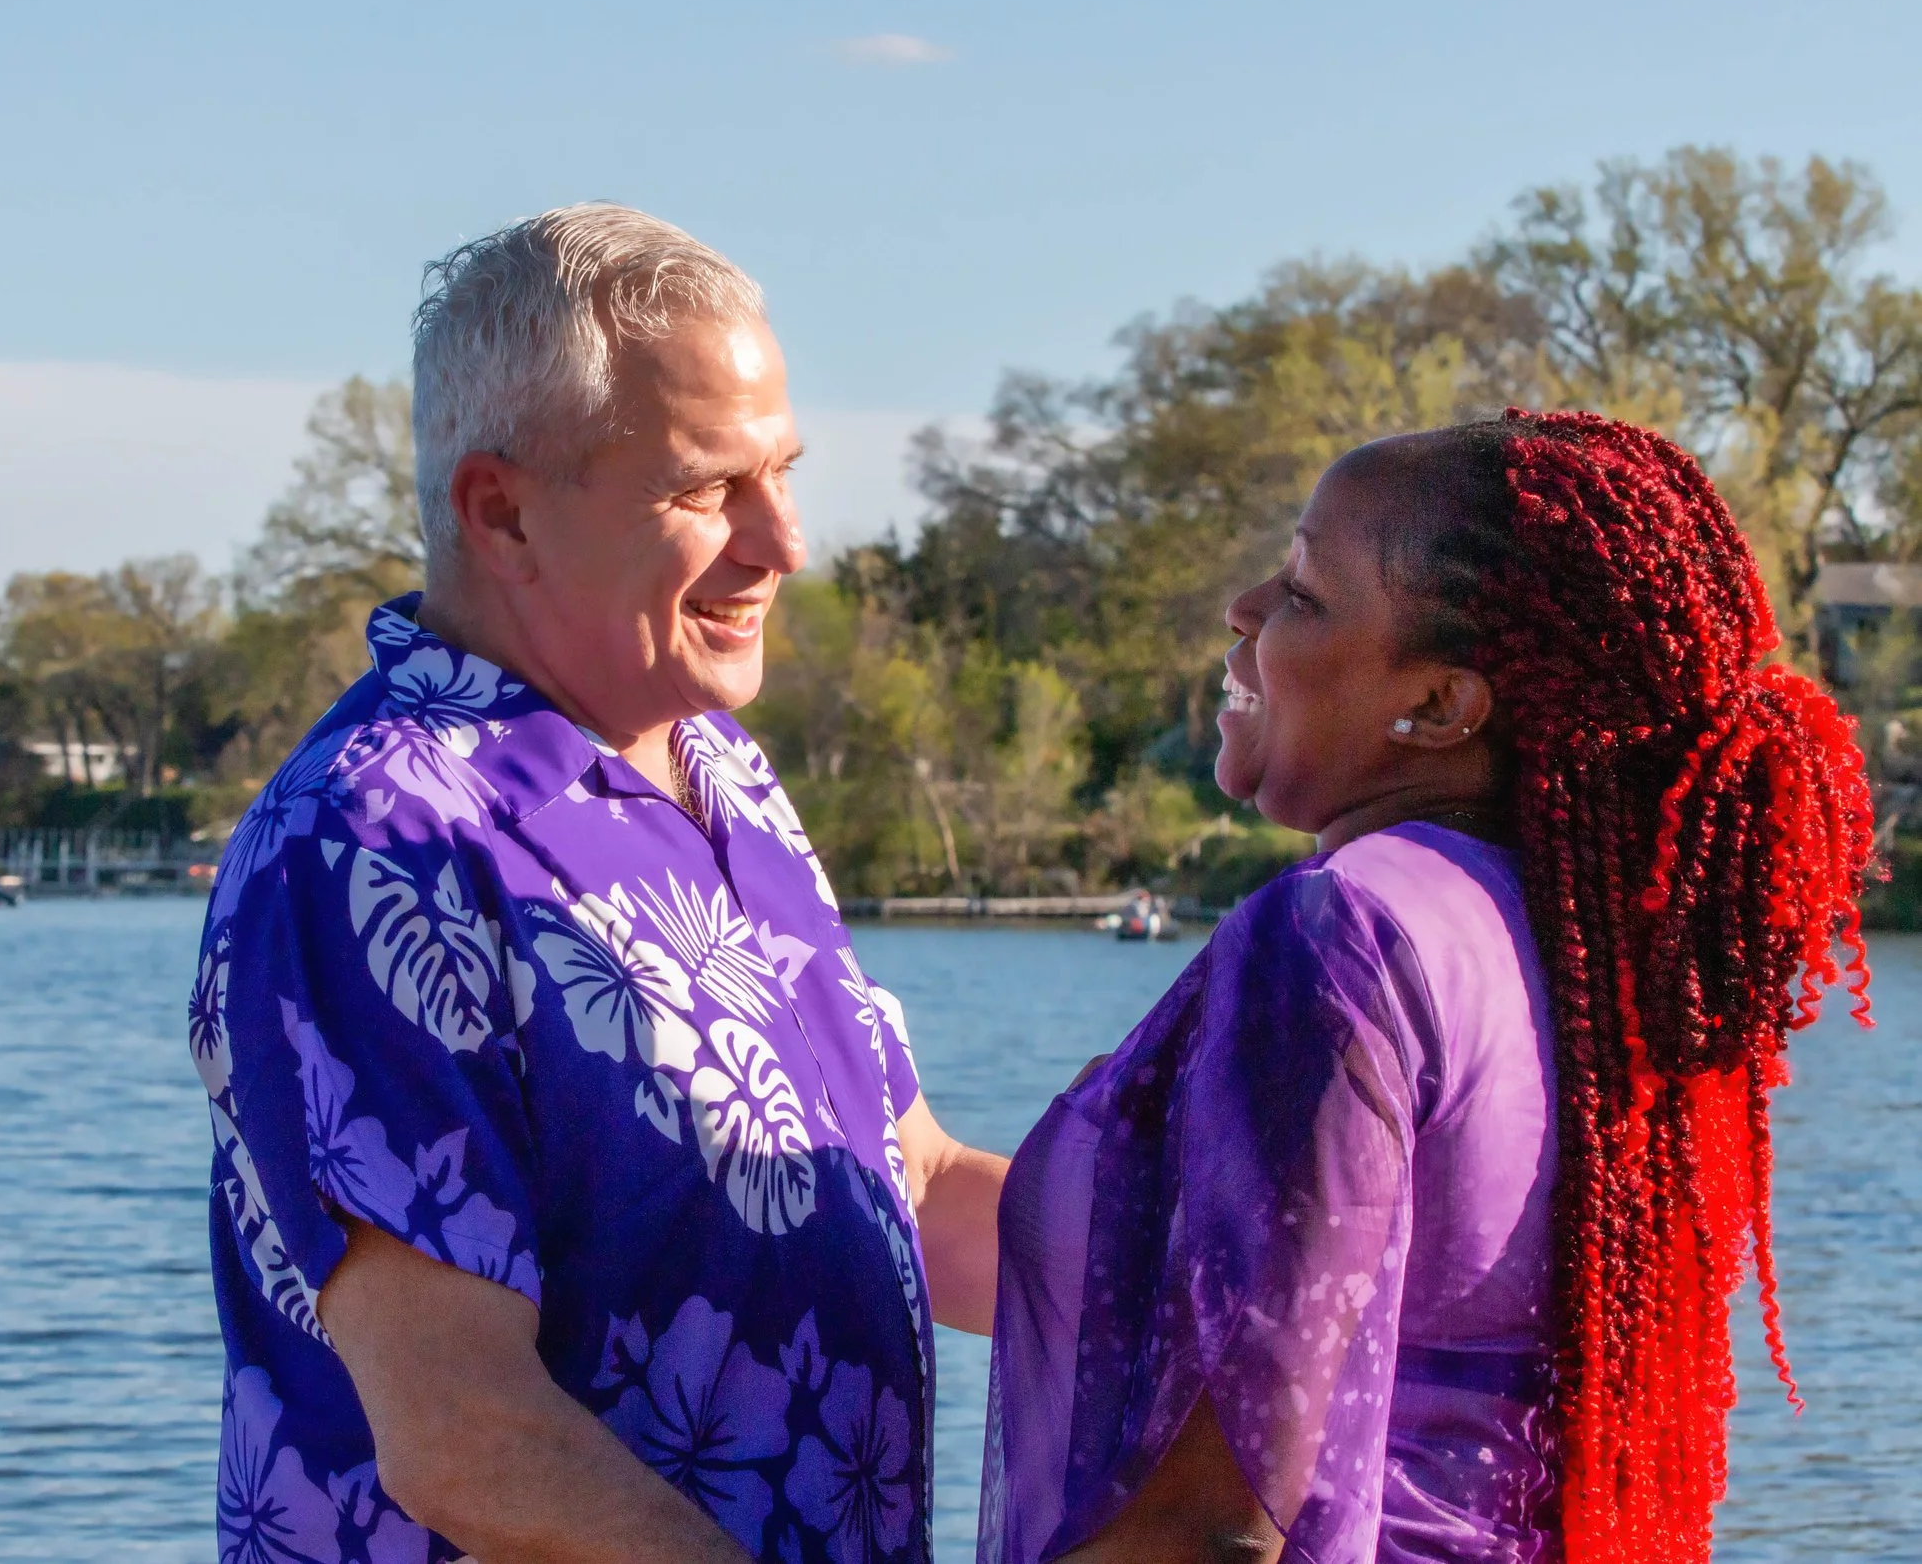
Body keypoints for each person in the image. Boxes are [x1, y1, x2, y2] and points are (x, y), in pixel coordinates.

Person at [189, 203, 1008, 1564]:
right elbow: (465, 1431)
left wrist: (1264, 1257)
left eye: (782, 472)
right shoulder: (370, 844)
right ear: (499, 510)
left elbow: (910, 1188)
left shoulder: (722, 769)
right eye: (705, 489)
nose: (781, 543)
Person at [980, 411, 1873, 1564]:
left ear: (1442, 707)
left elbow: (1215, 1524)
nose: (1242, 608)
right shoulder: (1587, 951)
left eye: (1303, 592)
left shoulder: (1344, 932)